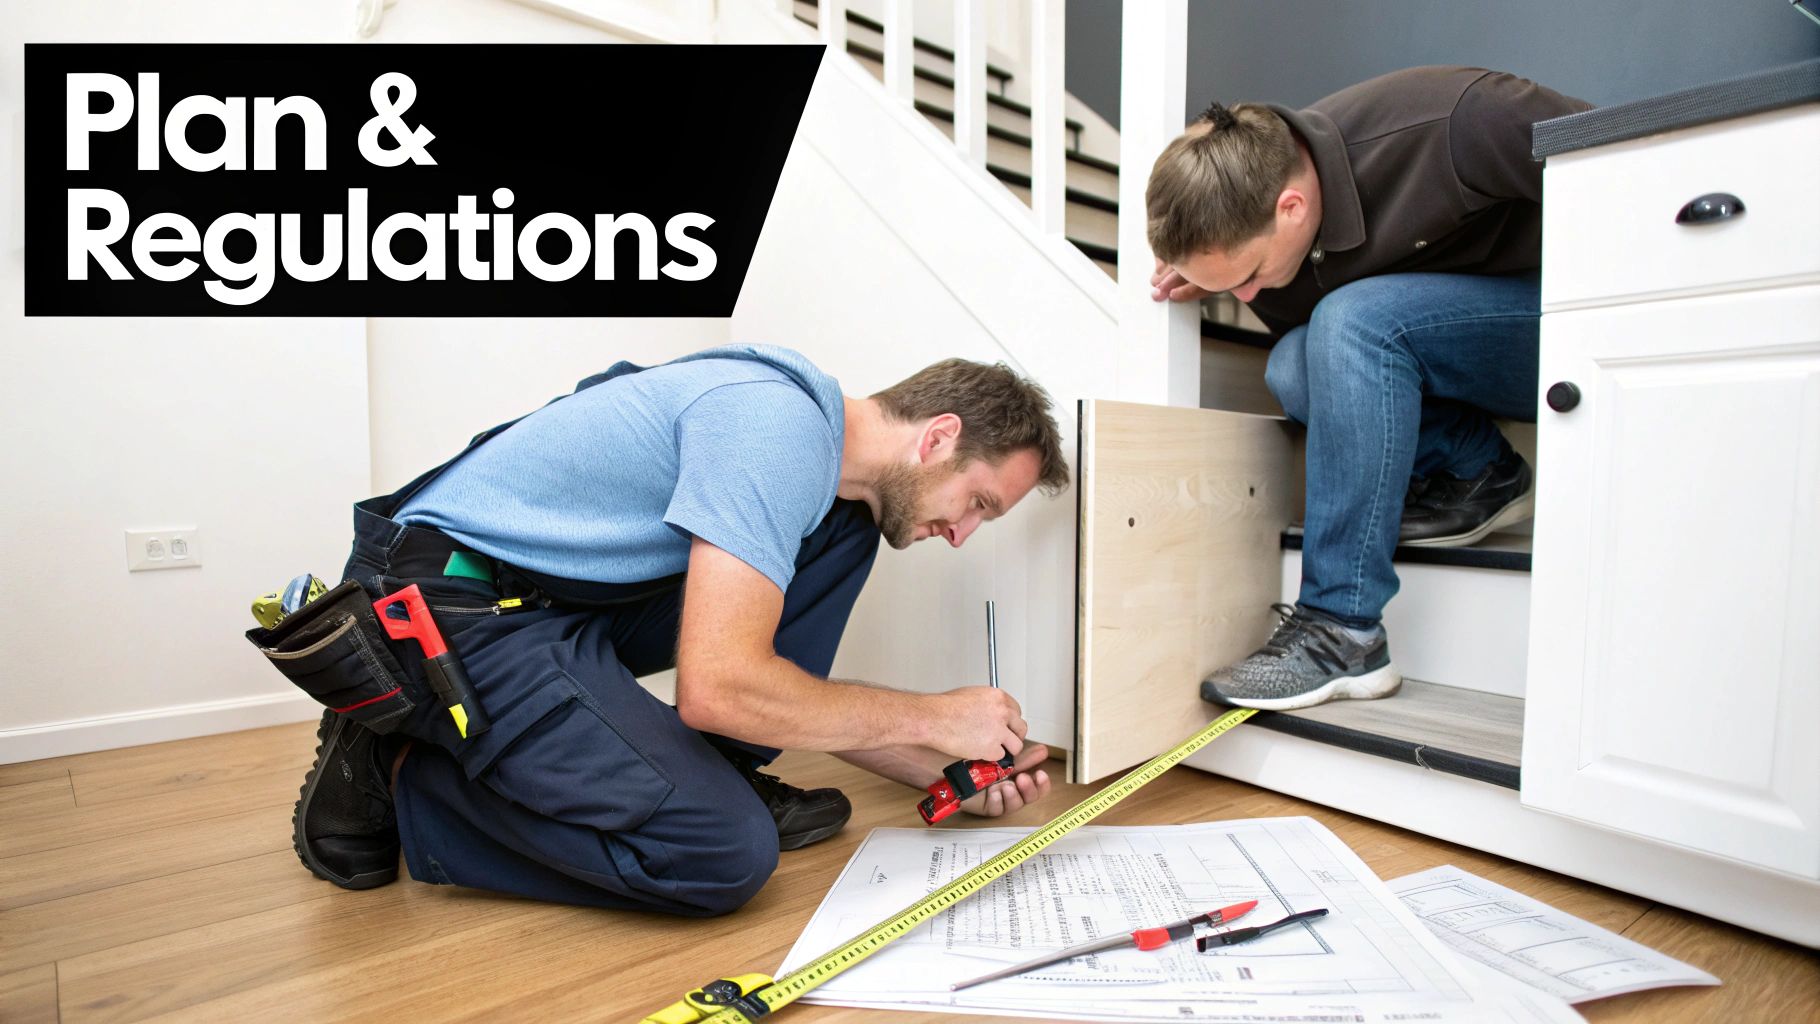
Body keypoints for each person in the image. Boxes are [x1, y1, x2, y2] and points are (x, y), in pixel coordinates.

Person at [288, 345, 1070, 916]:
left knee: (844, 533)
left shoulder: (823, 470)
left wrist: (940, 771)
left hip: (561, 601)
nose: (964, 533)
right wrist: (938, 716)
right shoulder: (775, 427)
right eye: (979, 504)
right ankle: (399, 762)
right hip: (449, 600)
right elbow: (720, 687)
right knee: (720, 854)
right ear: (938, 437)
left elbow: (765, 682)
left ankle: (715, 772)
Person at [1144, 67, 1590, 711]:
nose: (1243, 297)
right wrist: (1214, 269)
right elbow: (1348, 371)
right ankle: (1480, 468)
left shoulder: (1461, 122)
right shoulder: (1266, 223)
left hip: (1571, 324)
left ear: (1290, 208)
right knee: (1294, 367)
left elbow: (1631, 173)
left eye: (1244, 274)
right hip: (1453, 350)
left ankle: (1342, 628)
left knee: (1353, 321)